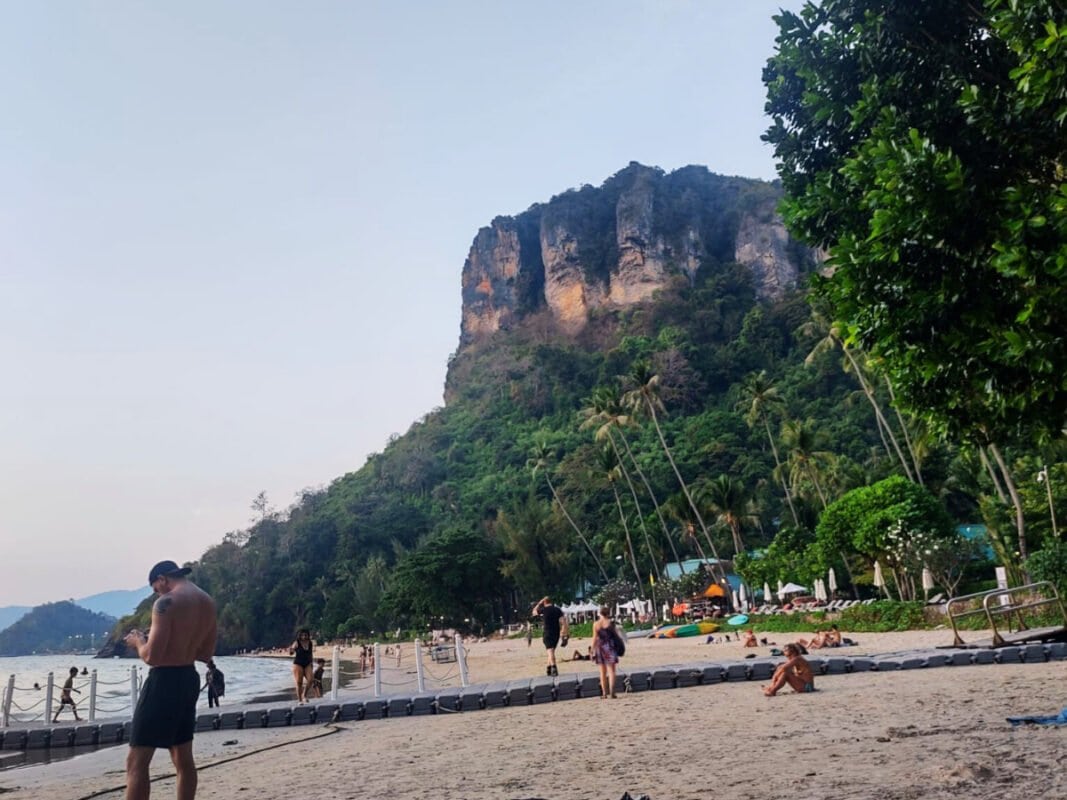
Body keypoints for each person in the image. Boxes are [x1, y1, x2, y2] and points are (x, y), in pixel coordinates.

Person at [123, 559, 217, 800]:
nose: (157, 592)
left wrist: (138, 642)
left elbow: (152, 657)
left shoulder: (166, 602)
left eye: (156, 587)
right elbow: (205, 653)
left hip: (164, 680)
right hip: (188, 678)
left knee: (136, 761)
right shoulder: (207, 601)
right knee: (182, 756)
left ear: (162, 579)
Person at [532, 596, 569, 676]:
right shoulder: (557, 609)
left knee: (550, 651)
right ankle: (548, 668)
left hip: (547, 632)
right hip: (556, 632)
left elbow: (534, 612)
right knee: (551, 651)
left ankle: (554, 667)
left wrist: (539, 603)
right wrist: (564, 633)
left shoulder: (543, 610)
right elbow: (564, 622)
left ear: (544, 603)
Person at [592, 606, 621, 698]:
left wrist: (592, 649)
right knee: (611, 671)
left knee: (602, 672)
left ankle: (604, 693)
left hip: (600, 647)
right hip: (610, 647)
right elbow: (616, 635)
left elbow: (595, 638)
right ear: (608, 613)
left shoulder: (596, 624)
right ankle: (612, 691)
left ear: (600, 613)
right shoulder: (611, 623)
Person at [289, 629, 315, 703]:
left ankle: (304, 695)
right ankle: (300, 700)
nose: (304, 637)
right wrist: (291, 650)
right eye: (302, 635)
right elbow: (292, 651)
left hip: (307, 663)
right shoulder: (297, 642)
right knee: (299, 682)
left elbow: (310, 654)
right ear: (299, 636)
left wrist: (312, 663)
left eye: (305, 635)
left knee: (310, 680)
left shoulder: (310, 643)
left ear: (308, 635)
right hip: (298, 663)